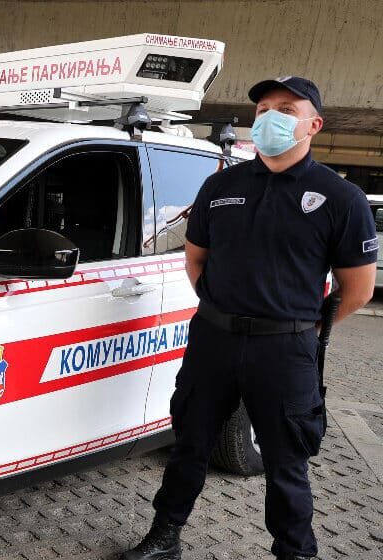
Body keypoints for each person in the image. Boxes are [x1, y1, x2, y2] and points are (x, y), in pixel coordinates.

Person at [122, 77, 377, 560]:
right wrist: (220, 307)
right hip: (213, 339)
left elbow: (359, 290)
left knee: (286, 461)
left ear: (314, 125)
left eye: (286, 109)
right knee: (189, 443)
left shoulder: (341, 198)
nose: (270, 117)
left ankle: (295, 552)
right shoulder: (221, 186)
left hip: (284, 349)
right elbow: (195, 259)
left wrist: (303, 329)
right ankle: (164, 535)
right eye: (263, 109)